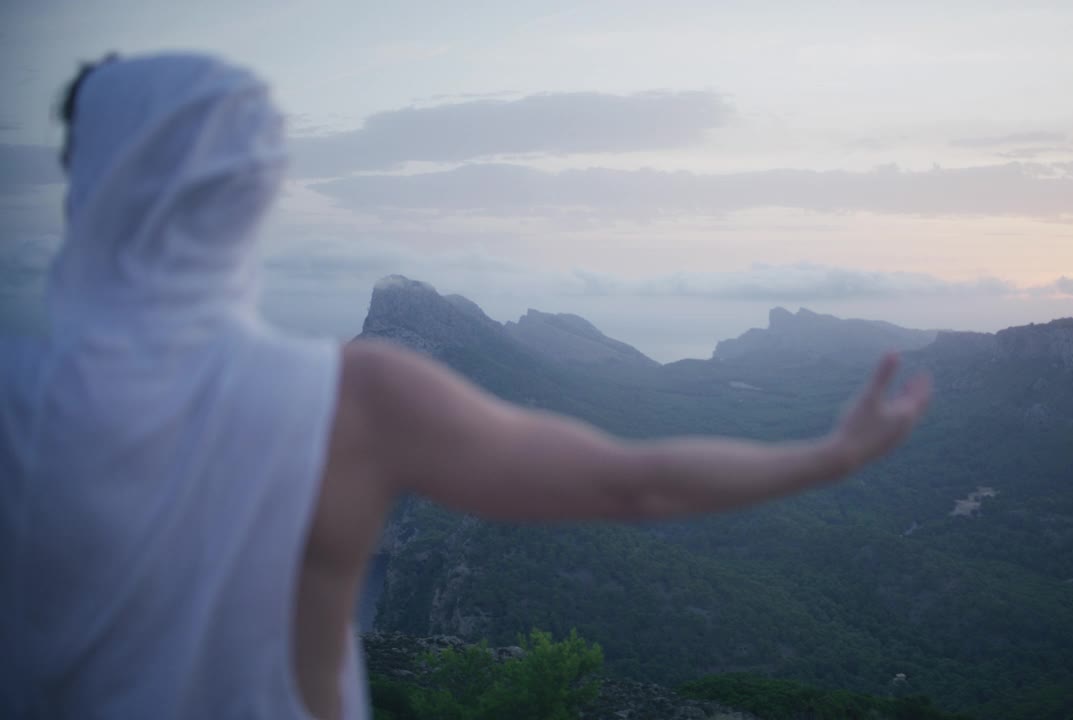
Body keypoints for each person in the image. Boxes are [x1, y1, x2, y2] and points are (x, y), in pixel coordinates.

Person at [0, 53, 931, 720]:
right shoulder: (354, 400)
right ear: (253, 192)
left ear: (86, 180)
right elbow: (632, 482)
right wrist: (829, 454)